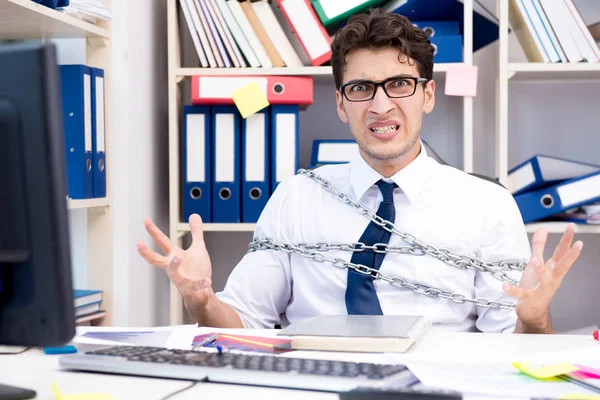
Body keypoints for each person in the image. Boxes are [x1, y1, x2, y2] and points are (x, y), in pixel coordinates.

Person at [138, 9, 582, 334]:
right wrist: (199, 299)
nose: (381, 105)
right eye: (361, 88)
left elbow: (513, 346)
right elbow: (240, 327)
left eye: (400, 84)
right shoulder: (296, 196)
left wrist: (535, 317)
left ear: (427, 95)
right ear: (341, 103)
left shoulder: (487, 205)